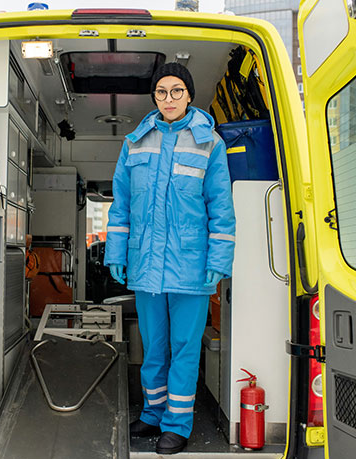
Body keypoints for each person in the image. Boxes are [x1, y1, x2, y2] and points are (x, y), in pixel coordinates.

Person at [104, 62, 235, 455]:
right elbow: (121, 205)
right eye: (161, 92)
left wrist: (219, 260)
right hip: (146, 267)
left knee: (184, 348)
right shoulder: (134, 142)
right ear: (155, 98)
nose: (169, 99)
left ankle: (177, 424)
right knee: (153, 346)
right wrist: (116, 252)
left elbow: (222, 210)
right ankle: (152, 413)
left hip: (191, 269)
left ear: (189, 95)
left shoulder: (209, 143)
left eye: (176, 91)